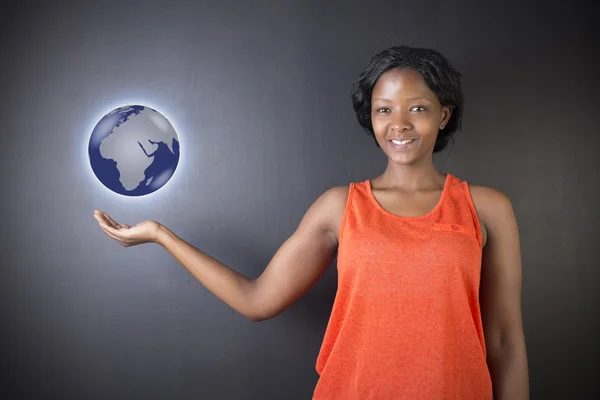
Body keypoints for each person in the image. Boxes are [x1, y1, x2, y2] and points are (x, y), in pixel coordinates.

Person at [93, 45, 529, 399]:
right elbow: (256, 300)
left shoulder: (487, 208)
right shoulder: (339, 207)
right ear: (371, 117)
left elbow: (505, 341)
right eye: (384, 110)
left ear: (443, 115)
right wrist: (160, 235)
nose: (399, 124)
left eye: (417, 108)